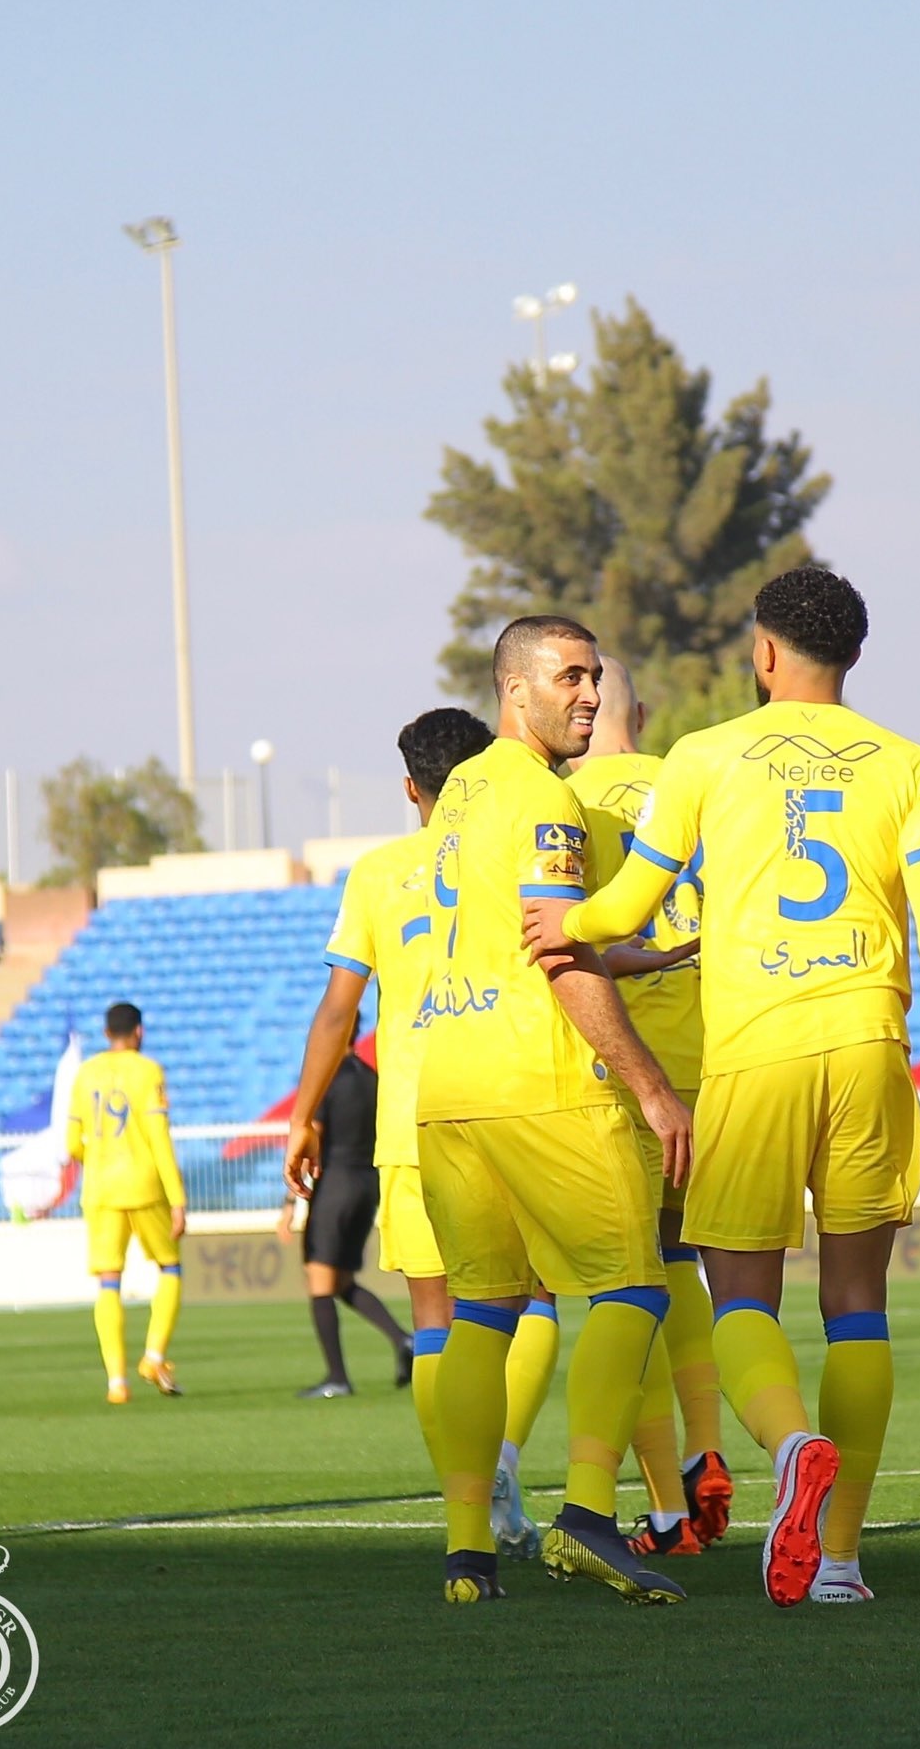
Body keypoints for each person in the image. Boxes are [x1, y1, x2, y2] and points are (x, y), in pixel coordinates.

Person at [535, 564, 920, 1607]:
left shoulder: (706, 754)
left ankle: (791, 1442)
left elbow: (628, 899)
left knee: (739, 1292)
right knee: (858, 1308)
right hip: (872, 1048)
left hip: (754, 1054)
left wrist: (565, 924)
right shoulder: (907, 761)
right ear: (850, 654)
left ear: (762, 650)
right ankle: (838, 1560)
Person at [416, 615, 694, 1608]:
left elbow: (517, 933)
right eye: (567, 676)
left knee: (482, 1316)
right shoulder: (544, 798)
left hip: (446, 1090)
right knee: (632, 1288)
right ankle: (583, 1514)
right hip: (537, 1082)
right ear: (513, 688)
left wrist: (641, 954)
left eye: (592, 676)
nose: (586, 692)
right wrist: (654, 1086)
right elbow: (557, 954)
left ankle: (465, 1555)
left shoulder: (459, 799)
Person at [284, 711, 545, 1486]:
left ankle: (468, 1499)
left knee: (435, 1319)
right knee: (529, 1303)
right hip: (513, 1099)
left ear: (410, 789)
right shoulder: (512, 850)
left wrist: (302, 1117)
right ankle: (504, 1462)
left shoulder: (376, 872)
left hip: (413, 1121)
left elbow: (338, 1011)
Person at [565, 656, 733, 1560]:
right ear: (649, 709)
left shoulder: (564, 806)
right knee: (692, 1265)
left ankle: (669, 1506)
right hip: (725, 1054)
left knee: (627, 1291)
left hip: (627, 1070)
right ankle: (712, 1449)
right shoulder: (697, 777)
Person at [280, 1037, 414, 1399]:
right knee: (341, 1281)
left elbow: (313, 1137)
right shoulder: (372, 1077)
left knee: (320, 1281)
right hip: (367, 1184)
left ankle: (337, 1377)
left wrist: (289, 1201)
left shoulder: (326, 1079)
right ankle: (404, 1339)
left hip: (335, 1185)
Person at [66, 1001, 186, 1403]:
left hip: (100, 1190)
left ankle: (116, 1383)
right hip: (143, 1184)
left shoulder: (85, 1074)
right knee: (170, 1267)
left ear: (105, 1035)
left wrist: (97, 1160)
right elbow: (159, 1138)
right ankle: (153, 1356)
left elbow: (71, 1143)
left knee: (108, 1282)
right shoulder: (147, 1070)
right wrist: (178, 1199)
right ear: (138, 1032)